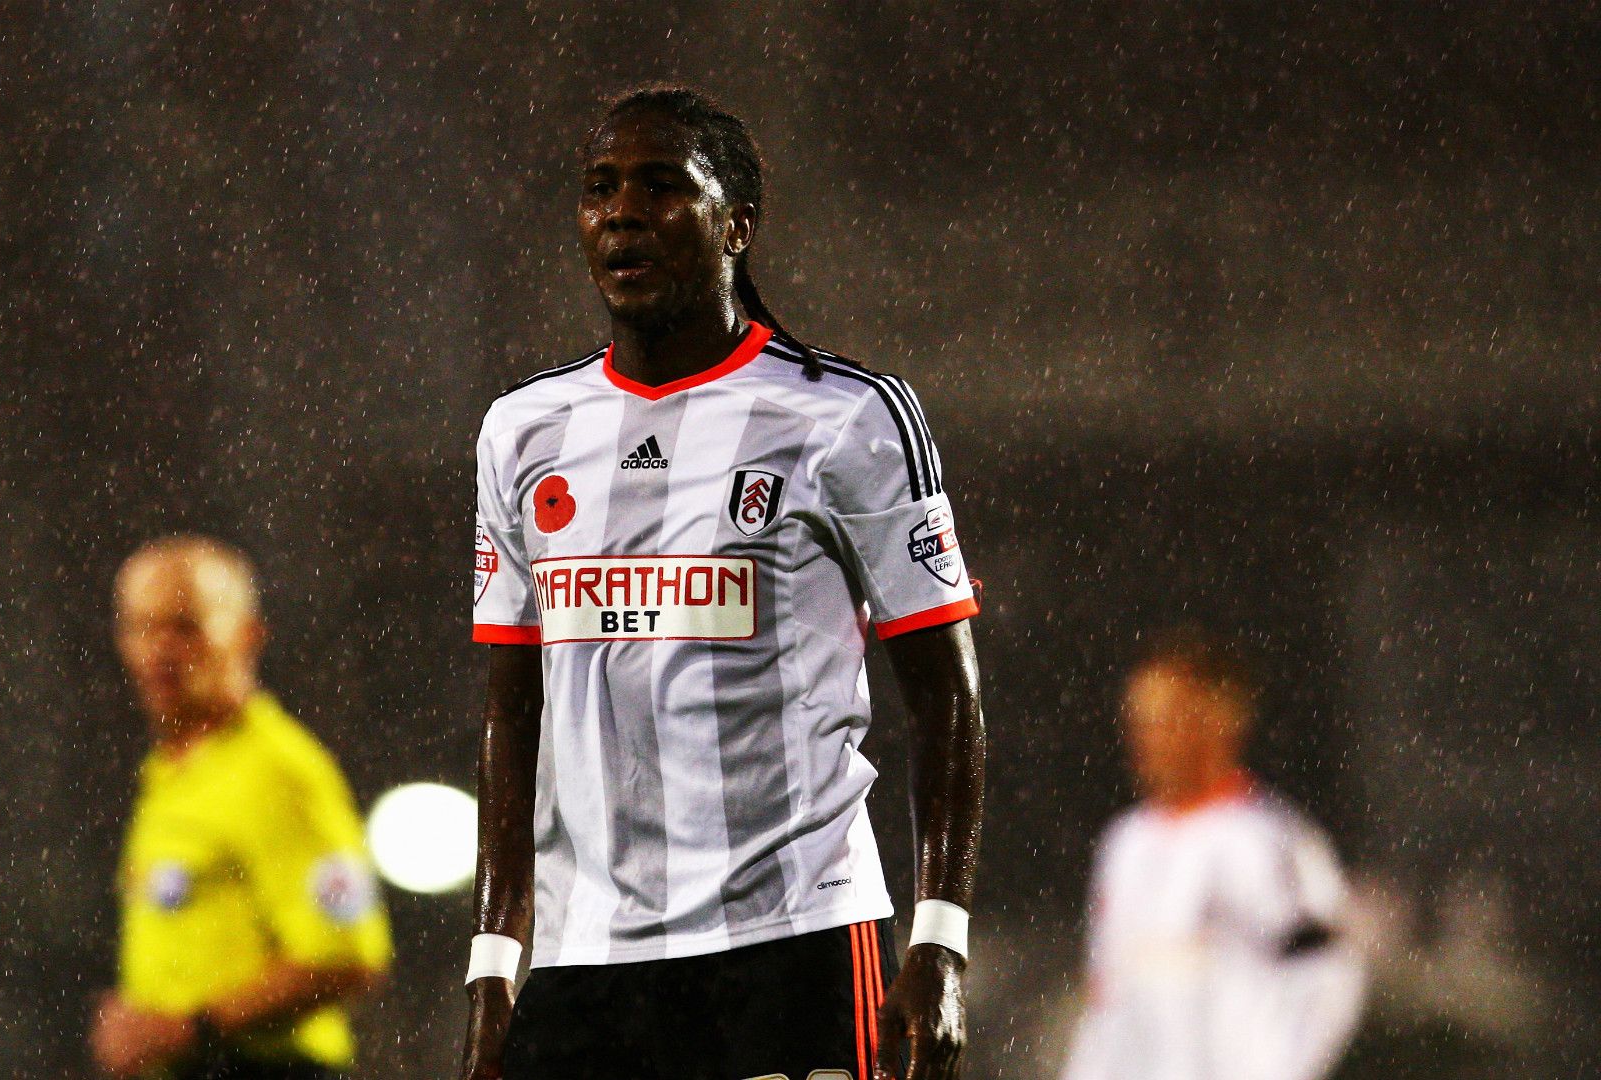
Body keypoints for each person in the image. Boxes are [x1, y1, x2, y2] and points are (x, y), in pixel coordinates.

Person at [461, 86, 987, 1080]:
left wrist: (941, 936)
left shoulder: (848, 418)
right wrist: (494, 961)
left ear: (738, 222)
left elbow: (945, 692)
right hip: (588, 959)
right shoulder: (523, 432)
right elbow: (510, 710)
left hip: (790, 943)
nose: (621, 212)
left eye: (661, 187)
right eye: (600, 189)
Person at [92, 536, 391, 1080]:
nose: (160, 651)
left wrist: (189, 1028)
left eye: (185, 628)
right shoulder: (169, 774)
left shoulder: (280, 772)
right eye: (142, 627)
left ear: (248, 636)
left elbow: (347, 954)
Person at [1061, 626, 1366, 1080]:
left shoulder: (1267, 839)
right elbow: (1106, 995)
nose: (1146, 739)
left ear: (1218, 722)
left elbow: (1329, 977)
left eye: (1166, 720)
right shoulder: (1123, 844)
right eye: (1139, 722)